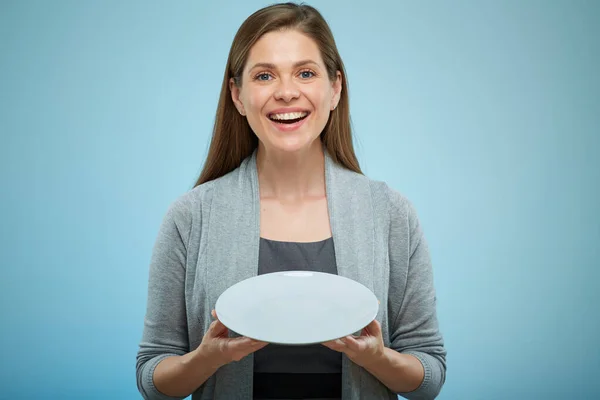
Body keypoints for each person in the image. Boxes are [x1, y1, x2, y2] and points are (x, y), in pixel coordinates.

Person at [136, 2, 446, 400]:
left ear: (334, 89)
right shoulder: (191, 216)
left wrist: (375, 357)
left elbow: (430, 374)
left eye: (305, 73)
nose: (286, 92)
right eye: (264, 76)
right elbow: (152, 375)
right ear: (238, 95)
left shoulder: (390, 215)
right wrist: (210, 358)